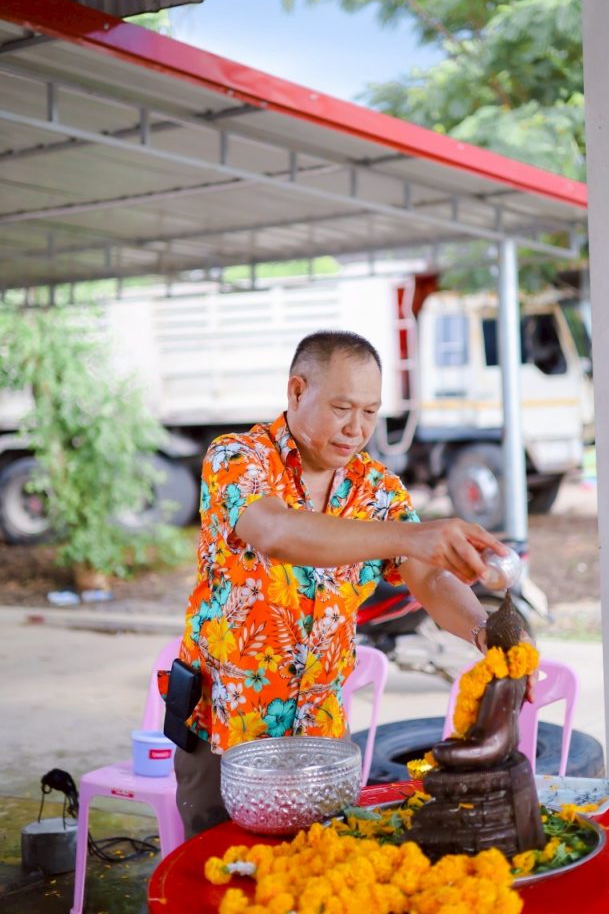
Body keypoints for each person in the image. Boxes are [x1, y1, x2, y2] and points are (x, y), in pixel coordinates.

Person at [174, 330, 506, 838]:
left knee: (322, 872)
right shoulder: (237, 458)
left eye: (370, 412)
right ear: (297, 391)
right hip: (226, 736)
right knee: (218, 874)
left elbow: (431, 581)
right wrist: (412, 536)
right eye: (342, 408)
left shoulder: (377, 490)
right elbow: (277, 532)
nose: (356, 429)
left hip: (322, 741)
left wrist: (486, 631)